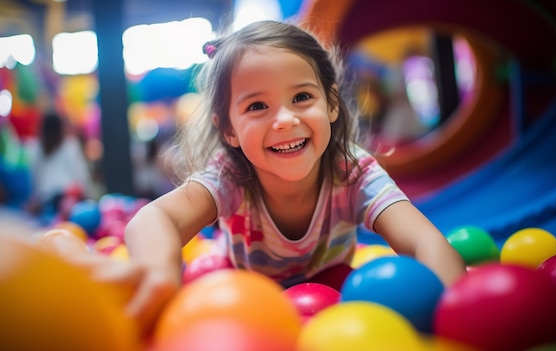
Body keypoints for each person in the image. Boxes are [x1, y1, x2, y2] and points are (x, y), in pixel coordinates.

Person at [123, 20, 465, 335]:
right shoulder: (230, 177)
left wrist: (454, 312)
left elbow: (425, 242)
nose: (285, 119)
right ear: (229, 129)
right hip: (244, 296)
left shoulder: (351, 172)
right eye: (257, 106)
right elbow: (154, 218)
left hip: (332, 296)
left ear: (331, 105)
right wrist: (159, 276)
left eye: (301, 97)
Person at [25, 112, 93, 219]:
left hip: (46, 201)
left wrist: (33, 198)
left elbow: (33, 176)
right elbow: (82, 175)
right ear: (60, 128)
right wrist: (88, 196)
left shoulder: (33, 148)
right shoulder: (70, 146)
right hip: (67, 198)